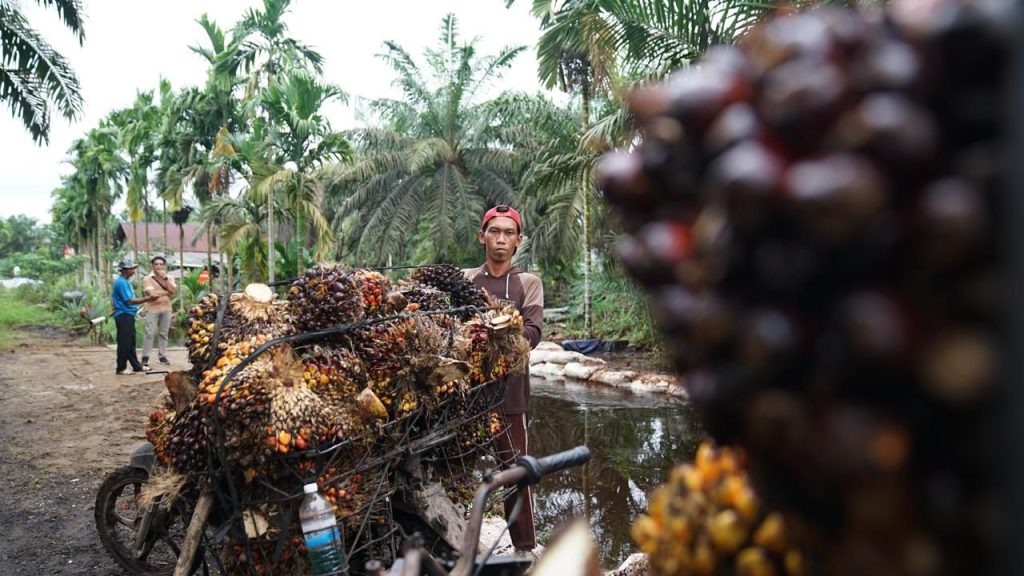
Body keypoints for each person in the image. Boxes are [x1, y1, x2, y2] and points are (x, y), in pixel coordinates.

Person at [463, 204, 544, 557]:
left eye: (508, 233)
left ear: (518, 241)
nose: (500, 239)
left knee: (514, 468)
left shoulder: (528, 283)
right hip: (466, 393)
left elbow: (532, 333)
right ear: (482, 237)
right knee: (452, 463)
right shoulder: (467, 280)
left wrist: (490, 335)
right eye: (494, 231)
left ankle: (524, 549)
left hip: (509, 394)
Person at [112, 260, 156, 375]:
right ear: (125, 270)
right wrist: (147, 299)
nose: (133, 271)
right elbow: (129, 301)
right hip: (124, 315)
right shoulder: (121, 282)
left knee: (130, 342)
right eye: (131, 269)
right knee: (124, 343)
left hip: (127, 314)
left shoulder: (125, 281)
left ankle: (136, 366)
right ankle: (121, 368)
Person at [141, 255, 177, 371]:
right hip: (152, 309)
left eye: (161, 264)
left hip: (166, 308)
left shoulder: (169, 278)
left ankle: (162, 356)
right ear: (152, 265)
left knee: (163, 333)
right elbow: (152, 295)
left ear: (164, 265)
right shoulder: (147, 278)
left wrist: (165, 279)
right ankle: (145, 357)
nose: (158, 266)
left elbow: (173, 291)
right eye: (156, 264)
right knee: (149, 333)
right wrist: (166, 292)